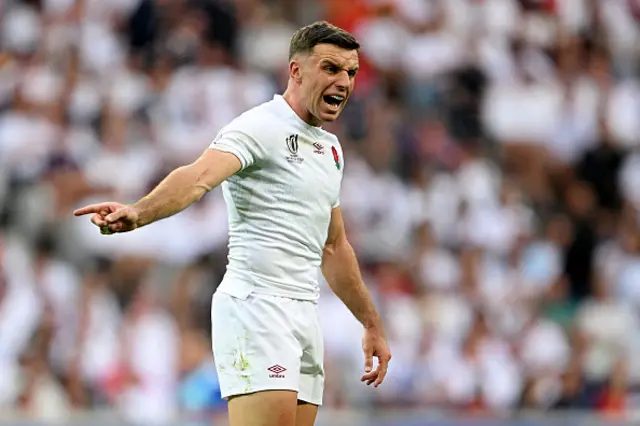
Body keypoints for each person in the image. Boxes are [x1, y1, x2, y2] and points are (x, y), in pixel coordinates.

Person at [73, 21, 391, 426]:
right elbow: (198, 176)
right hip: (256, 305)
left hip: (303, 313)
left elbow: (334, 247)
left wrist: (371, 323)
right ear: (296, 71)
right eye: (330, 68)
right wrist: (139, 212)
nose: (343, 82)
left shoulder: (329, 149)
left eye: (351, 72)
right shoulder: (260, 125)